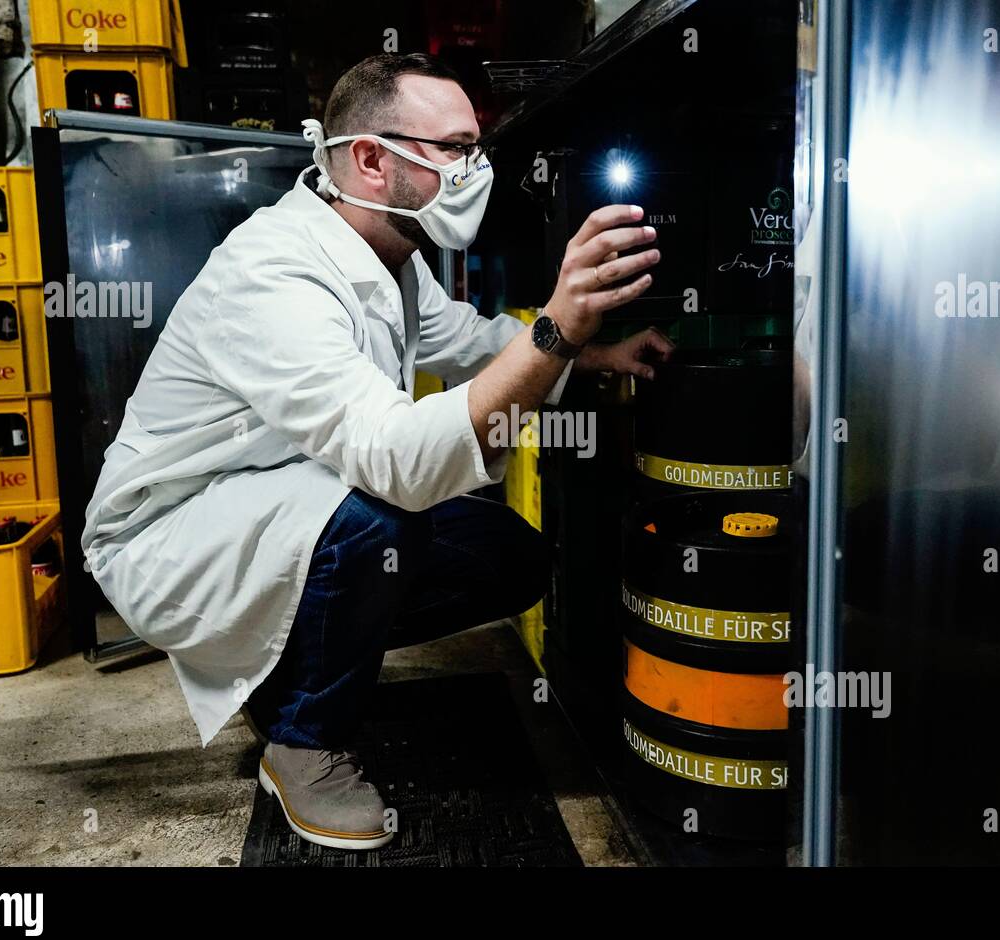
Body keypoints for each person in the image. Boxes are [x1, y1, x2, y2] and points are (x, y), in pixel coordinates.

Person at [81, 53, 672, 849]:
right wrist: (556, 328)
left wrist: (592, 354)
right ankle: (304, 746)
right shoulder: (276, 274)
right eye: (455, 149)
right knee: (376, 517)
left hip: (278, 495)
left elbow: (471, 342)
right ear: (369, 158)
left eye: (477, 147)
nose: (475, 168)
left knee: (506, 556)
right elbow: (396, 457)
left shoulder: (390, 255)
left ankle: (287, 677)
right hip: (174, 530)